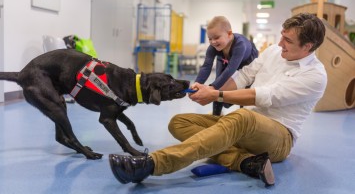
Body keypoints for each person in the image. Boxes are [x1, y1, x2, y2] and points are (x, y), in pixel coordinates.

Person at [109, 13, 327, 187]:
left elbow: (263, 96)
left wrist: (217, 95)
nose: (280, 43)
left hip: (279, 136)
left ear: (307, 47)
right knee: (179, 122)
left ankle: (152, 164)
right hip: (247, 124)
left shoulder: (315, 76)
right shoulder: (273, 52)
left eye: (287, 40)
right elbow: (243, 76)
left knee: (242, 116)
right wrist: (210, 88)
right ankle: (245, 162)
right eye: (281, 36)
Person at [195, 16, 258, 115]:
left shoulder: (240, 44)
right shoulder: (213, 47)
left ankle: (243, 114)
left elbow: (231, 69)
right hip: (226, 61)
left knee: (245, 89)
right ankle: (216, 115)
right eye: (210, 39)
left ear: (229, 34)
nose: (213, 42)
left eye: (216, 38)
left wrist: (212, 88)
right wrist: (197, 84)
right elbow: (206, 66)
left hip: (247, 61)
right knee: (218, 86)